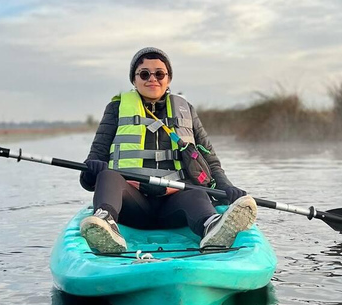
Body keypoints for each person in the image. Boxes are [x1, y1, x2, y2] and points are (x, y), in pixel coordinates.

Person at [79, 47, 257, 254]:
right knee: (108, 176)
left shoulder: (186, 110)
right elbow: (89, 178)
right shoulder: (116, 109)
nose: (152, 79)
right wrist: (92, 168)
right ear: (134, 80)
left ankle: (212, 227)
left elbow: (210, 162)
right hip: (132, 206)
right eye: (144, 74)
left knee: (196, 190)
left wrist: (227, 187)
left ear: (168, 79)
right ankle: (105, 223)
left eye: (159, 73)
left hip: (176, 205)